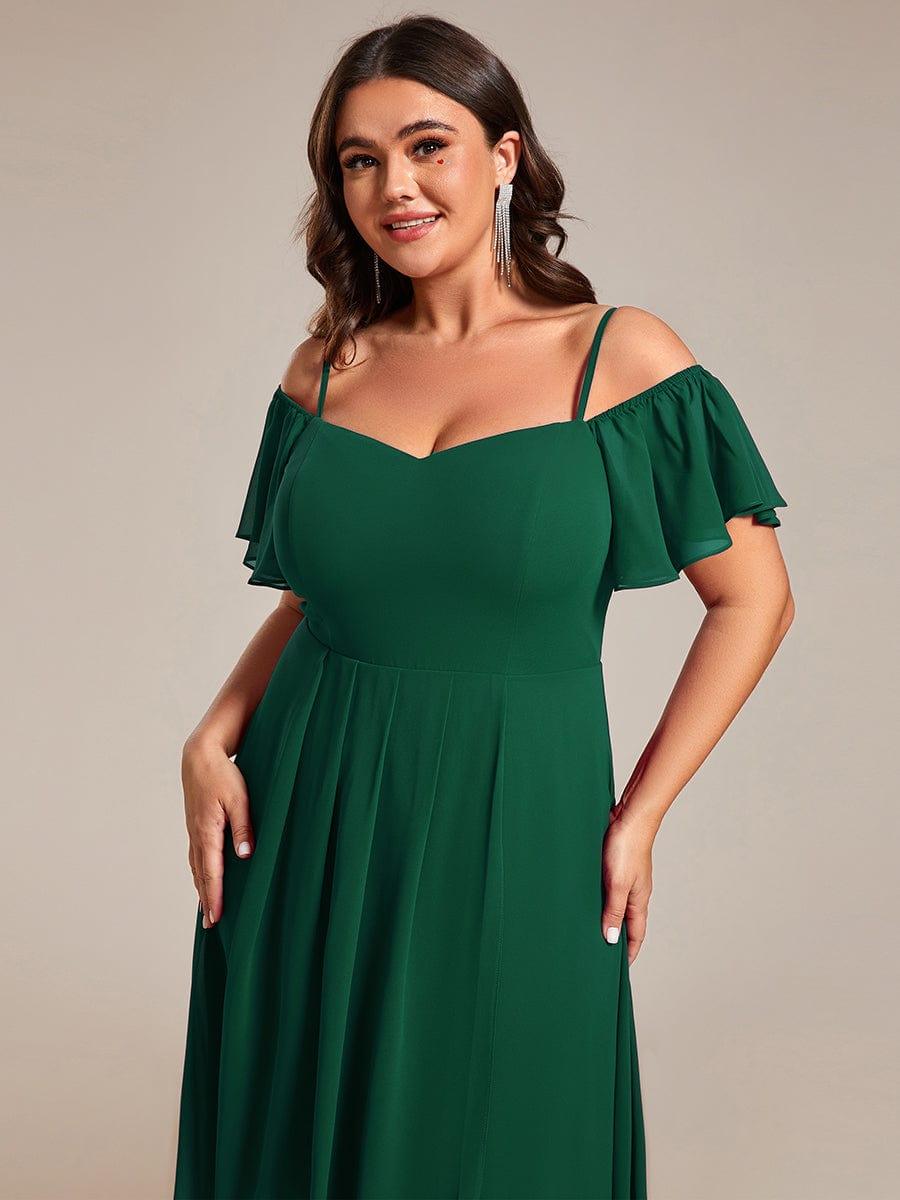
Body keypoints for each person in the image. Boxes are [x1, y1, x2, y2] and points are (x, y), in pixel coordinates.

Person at [173, 15, 793, 1200]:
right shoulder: (324, 372)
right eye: (360, 161)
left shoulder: (619, 357)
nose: (394, 188)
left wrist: (641, 814)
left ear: (504, 156)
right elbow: (315, 599)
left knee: (509, 1139)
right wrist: (211, 733)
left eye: (427, 147)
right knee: (300, 1137)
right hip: (306, 816)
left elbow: (755, 601)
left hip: (521, 814)